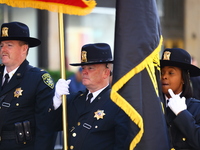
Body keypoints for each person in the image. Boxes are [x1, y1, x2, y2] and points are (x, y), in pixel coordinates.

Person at [53, 43, 130, 150]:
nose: (84, 72)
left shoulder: (119, 103)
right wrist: (56, 101)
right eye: (83, 67)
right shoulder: (75, 99)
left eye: (90, 68)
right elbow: (52, 125)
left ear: (106, 73)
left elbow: (121, 144)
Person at [0, 22, 56, 150]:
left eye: (9, 45)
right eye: (2, 45)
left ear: (24, 48)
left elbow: (45, 127)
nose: (3, 49)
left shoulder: (38, 79)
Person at [160, 48, 200, 149]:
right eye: (162, 72)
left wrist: (182, 113)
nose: (164, 76)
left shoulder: (197, 108)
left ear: (183, 78)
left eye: (171, 73)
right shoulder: (153, 106)